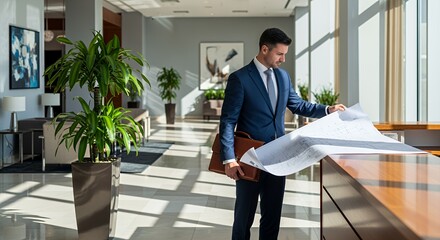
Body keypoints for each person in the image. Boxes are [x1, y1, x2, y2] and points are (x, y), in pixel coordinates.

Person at [219, 28, 346, 240]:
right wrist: (229, 159)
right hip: (249, 160)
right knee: (244, 217)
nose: (283, 59)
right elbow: (228, 121)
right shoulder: (240, 79)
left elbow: (298, 105)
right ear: (264, 49)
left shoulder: (283, 77)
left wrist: (327, 110)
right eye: (280, 54)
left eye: (285, 54)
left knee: (272, 217)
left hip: (278, 159)